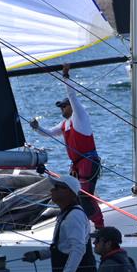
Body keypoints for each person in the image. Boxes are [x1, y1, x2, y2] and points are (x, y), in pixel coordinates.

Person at [29, 63, 104, 228]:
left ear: (71, 106)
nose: (62, 108)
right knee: (74, 196)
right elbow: (48, 133)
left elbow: (72, 96)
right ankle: (83, 224)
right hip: (77, 165)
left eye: (64, 106)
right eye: (60, 107)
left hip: (88, 161)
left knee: (85, 197)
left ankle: (100, 226)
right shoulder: (65, 124)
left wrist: (65, 77)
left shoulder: (80, 117)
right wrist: (37, 128)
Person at [21, 175, 96, 272]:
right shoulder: (65, 214)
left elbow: (78, 249)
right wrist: (39, 255)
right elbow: (62, 247)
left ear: (70, 193)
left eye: (57, 188)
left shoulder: (74, 216)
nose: (52, 190)